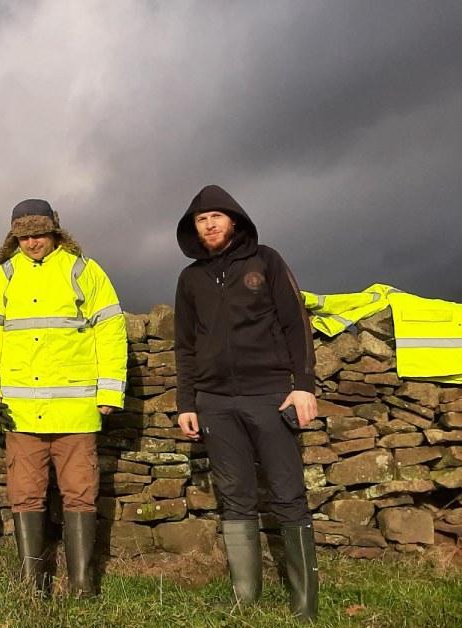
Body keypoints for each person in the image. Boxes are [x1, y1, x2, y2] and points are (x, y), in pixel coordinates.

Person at [173, 184, 318, 621]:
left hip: (270, 395)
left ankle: (305, 603)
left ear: (234, 219)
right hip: (214, 401)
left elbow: (297, 324)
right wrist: (187, 402)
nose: (210, 223)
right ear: (194, 229)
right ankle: (246, 596)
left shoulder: (266, 260)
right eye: (201, 219)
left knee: (289, 494)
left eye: (217, 215)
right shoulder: (190, 278)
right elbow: (184, 346)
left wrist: (304, 386)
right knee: (234, 498)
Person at [0, 199, 127, 597]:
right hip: (21, 412)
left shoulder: (84, 270)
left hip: (76, 412)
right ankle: (33, 585)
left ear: (56, 231)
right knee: (25, 494)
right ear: (14, 236)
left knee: (80, 492)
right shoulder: (1, 276)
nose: (32, 242)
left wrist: (110, 389)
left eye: (39, 233)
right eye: (23, 236)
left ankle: (82, 584)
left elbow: (109, 329)